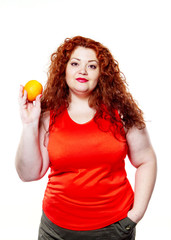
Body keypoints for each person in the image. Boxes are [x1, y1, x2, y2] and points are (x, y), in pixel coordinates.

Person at [15, 36, 157, 240]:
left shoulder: (121, 113)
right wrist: (29, 124)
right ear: (64, 70)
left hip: (113, 229)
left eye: (92, 66)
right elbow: (28, 174)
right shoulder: (48, 116)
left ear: (102, 74)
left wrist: (135, 215)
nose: (82, 71)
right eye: (75, 63)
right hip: (55, 231)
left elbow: (146, 160)